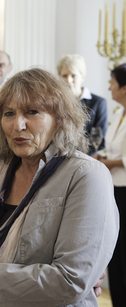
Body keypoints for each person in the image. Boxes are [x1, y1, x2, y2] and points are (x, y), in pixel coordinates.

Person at [0, 68, 119, 306]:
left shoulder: (86, 175)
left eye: (32, 112)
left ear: (60, 118)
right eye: (9, 113)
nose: (18, 125)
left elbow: (70, 280)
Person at [93, 63, 126, 307]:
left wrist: (109, 162)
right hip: (115, 188)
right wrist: (101, 158)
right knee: (115, 250)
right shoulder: (117, 114)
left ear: (124, 87)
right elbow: (111, 146)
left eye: (112, 82)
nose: (109, 86)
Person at [57, 54, 108, 155]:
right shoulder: (54, 102)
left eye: (73, 75)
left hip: (86, 158)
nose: (69, 80)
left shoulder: (98, 102)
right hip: (57, 158)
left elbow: (100, 140)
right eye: (64, 76)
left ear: (83, 77)